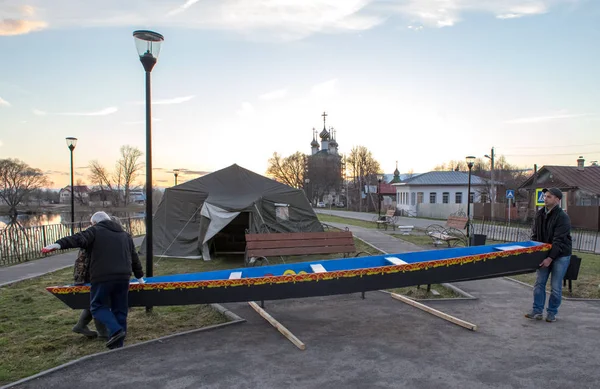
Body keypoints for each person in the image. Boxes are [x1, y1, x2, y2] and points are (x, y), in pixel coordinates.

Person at [42, 211, 144, 348]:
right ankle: (118, 346)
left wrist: (58, 244)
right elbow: (134, 258)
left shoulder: (95, 231)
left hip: (103, 276)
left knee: (97, 307)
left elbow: (78, 238)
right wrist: (140, 277)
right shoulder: (125, 235)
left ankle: (115, 330)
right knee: (120, 310)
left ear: (95, 223)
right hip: (124, 276)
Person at [525, 187, 572, 322]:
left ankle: (551, 312)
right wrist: (534, 253)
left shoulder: (563, 217)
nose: (545, 198)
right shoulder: (539, 214)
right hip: (543, 254)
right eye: (545, 196)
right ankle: (537, 310)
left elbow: (559, 241)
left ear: (557, 200)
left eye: (549, 196)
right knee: (539, 283)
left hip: (560, 255)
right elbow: (535, 235)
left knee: (556, 287)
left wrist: (550, 258)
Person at [71, 247, 108, 339]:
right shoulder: (97, 237)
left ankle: (81, 325)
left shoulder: (92, 235)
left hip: (84, 273)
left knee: (92, 301)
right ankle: (103, 333)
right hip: (91, 274)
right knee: (98, 302)